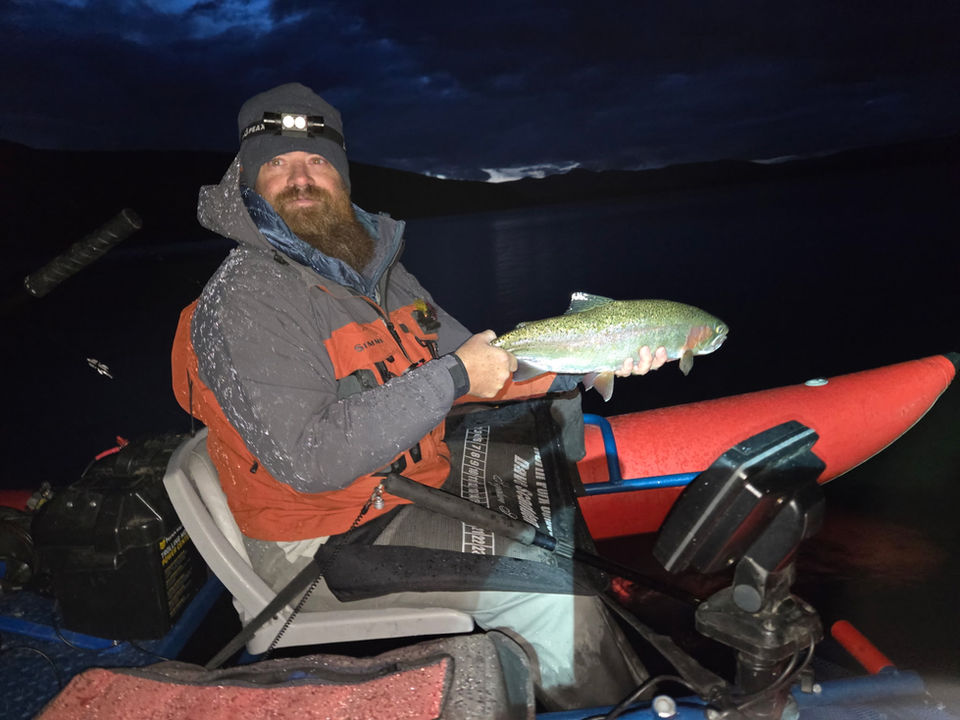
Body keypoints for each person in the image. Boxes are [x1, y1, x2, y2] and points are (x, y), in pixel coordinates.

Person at [171, 82, 667, 709]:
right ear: (246, 179)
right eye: (277, 163)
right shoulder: (245, 301)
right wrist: (454, 377)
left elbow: (483, 362)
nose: (301, 178)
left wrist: (594, 360)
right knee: (551, 593)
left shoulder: (376, 270)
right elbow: (311, 460)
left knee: (551, 484)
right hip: (322, 542)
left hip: (400, 486)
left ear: (342, 175)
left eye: (318, 160)